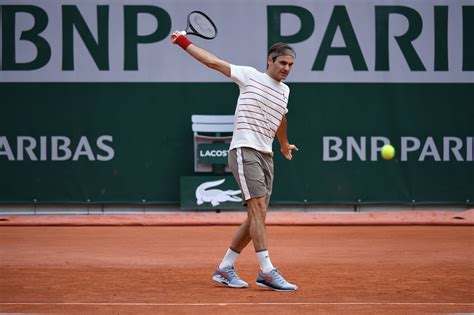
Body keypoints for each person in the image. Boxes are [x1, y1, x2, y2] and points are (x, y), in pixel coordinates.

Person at [171, 31, 299, 291]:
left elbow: (281, 118)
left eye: (290, 65)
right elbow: (213, 62)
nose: (287, 68)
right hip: (244, 150)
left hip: (267, 155)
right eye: (282, 63)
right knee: (257, 211)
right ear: (270, 61)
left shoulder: (285, 91)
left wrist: (284, 143)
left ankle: (225, 268)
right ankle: (266, 271)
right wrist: (184, 42)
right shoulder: (250, 76)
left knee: (257, 216)